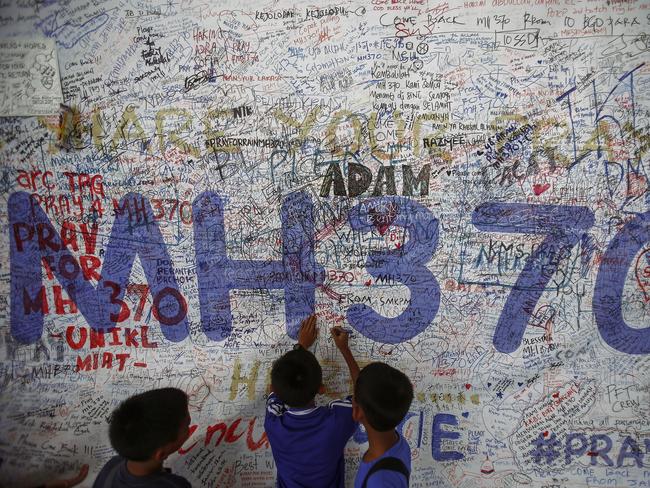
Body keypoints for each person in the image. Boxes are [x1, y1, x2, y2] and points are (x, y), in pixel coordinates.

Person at [264, 315, 360, 488]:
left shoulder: (273, 423)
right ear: (321, 389)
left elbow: (275, 387)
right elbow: (363, 397)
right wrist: (344, 349)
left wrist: (301, 346)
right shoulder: (337, 421)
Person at [92, 387, 192, 488]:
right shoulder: (175, 485)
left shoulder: (113, 465)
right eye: (187, 425)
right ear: (161, 454)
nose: (190, 422)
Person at [352, 362, 413, 488]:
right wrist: (345, 351)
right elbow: (366, 395)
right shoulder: (398, 444)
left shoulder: (380, 482)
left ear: (357, 412)